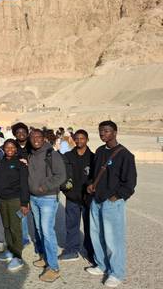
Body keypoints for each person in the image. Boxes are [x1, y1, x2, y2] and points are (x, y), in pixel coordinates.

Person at [85, 121, 137, 288]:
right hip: (96, 200)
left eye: (106, 131)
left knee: (114, 239)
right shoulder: (100, 151)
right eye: (101, 131)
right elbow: (95, 173)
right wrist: (91, 184)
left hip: (112, 202)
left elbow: (130, 182)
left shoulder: (125, 155)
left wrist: (117, 197)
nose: (103, 134)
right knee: (96, 235)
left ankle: (117, 273)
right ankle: (101, 265)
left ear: (115, 132)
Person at [28, 128, 66, 283]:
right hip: (34, 198)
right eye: (33, 137)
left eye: (39, 137)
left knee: (47, 231)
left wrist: (45, 186)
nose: (36, 139)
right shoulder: (31, 154)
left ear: (43, 138)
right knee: (39, 230)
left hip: (48, 198)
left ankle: (54, 267)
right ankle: (45, 257)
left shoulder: (52, 154)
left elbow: (61, 176)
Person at [0, 139, 30, 271]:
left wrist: (24, 203)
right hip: (2, 200)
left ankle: (18, 257)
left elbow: (24, 185)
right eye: (7, 147)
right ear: (4, 149)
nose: (10, 149)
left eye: (12, 147)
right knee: (6, 226)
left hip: (15, 201)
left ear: (16, 149)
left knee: (15, 228)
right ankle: (11, 250)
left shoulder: (20, 165)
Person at [59, 129, 95, 263]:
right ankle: (71, 250)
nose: (79, 141)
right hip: (72, 198)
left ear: (87, 139)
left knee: (89, 226)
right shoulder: (68, 156)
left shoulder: (93, 157)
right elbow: (62, 175)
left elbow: (96, 176)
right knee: (71, 225)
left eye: (82, 138)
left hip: (87, 199)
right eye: (77, 138)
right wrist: (66, 190)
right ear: (74, 140)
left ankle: (90, 251)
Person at [11, 122, 32, 246]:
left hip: (33, 182)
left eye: (23, 132)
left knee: (35, 212)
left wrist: (29, 163)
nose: (21, 134)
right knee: (21, 210)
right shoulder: (12, 146)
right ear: (15, 134)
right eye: (18, 133)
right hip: (18, 184)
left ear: (27, 132)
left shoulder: (33, 144)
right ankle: (24, 237)